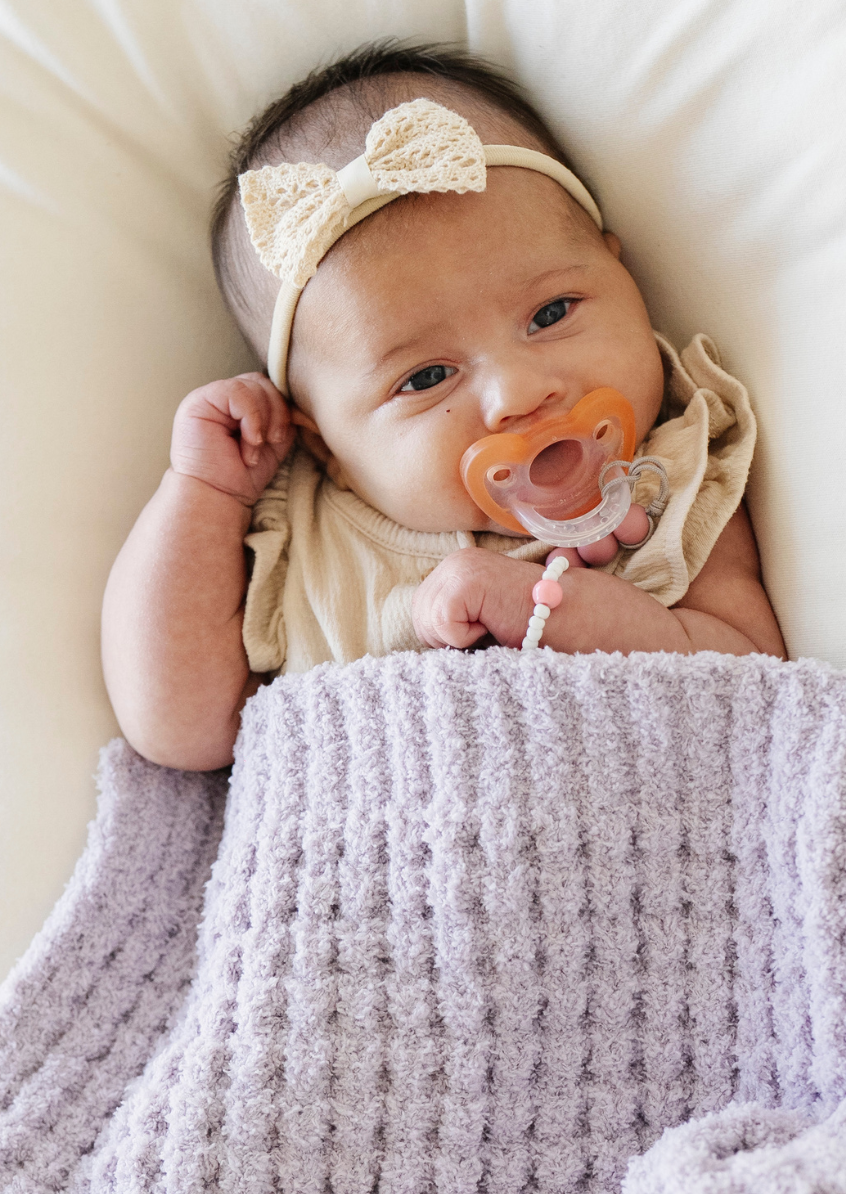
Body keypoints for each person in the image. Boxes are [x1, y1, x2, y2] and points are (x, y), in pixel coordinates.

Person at [103, 41, 786, 771]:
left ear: (622, 273)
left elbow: (756, 684)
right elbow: (180, 731)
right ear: (328, 446)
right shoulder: (303, 527)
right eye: (426, 378)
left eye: (552, 312)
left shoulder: (670, 475)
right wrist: (204, 492)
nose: (519, 393)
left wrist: (546, 610)